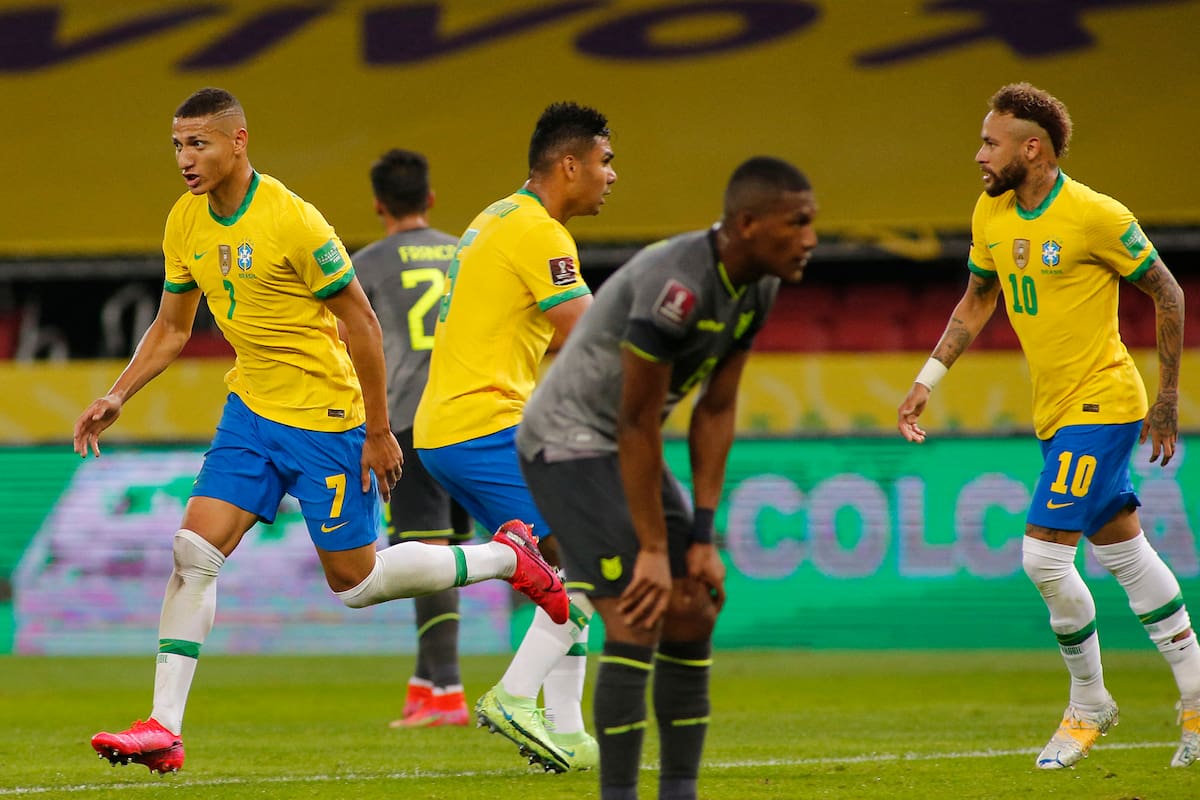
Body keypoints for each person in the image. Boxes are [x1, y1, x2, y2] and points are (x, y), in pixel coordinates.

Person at [75, 88, 567, 775]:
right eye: (178, 145)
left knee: (357, 584)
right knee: (193, 552)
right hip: (251, 412)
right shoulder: (184, 222)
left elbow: (363, 324)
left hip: (324, 419)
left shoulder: (293, 220)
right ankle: (163, 726)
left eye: (200, 144)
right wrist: (118, 393)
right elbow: (173, 327)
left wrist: (376, 430)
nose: (185, 159)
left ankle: (506, 558)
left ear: (239, 141)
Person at [897, 82, 1199, 770]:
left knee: (1042, 557)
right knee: (1125, 554)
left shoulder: (1095, 215)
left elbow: (1167, 290)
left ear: (1032, 149)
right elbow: (977, 300)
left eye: (990, 143)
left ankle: (1089, 702)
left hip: (1105, 403)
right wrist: (925, 382)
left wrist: (1168, 396)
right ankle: (1197, 698)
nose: (979, 155)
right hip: (1055, 412)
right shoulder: (990, 212)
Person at [517, 156, 818, 799]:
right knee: (636, 611)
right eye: (797, 223)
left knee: (692, 609)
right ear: (747, 224)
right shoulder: (675, 287)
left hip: (623, 440)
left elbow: (715, 408)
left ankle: (679, 790)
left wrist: (701, 537)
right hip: (568, 442)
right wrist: (655, 550)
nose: (811, 239)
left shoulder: (759, 286)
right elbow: (634, 420)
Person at [412, 100, 616, 771]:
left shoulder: (495, 216)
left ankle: (565, 730)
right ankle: (517, 695)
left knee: (563, 562)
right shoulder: (540, 234)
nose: (612, 175)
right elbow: (588, 340)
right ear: (569, 164)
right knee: (590, 557)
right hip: (484, 423)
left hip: (452, 424)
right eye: (605, 161)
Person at [351, 148, 475, 728]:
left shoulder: (366, 265)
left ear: (379, 204)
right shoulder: (465, 253)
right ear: (430, 198)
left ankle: (447, 693)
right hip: (472, 418)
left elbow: (351, 344)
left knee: (424, 555)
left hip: (409, 422)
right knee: (450, 557)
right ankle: (428, 682)